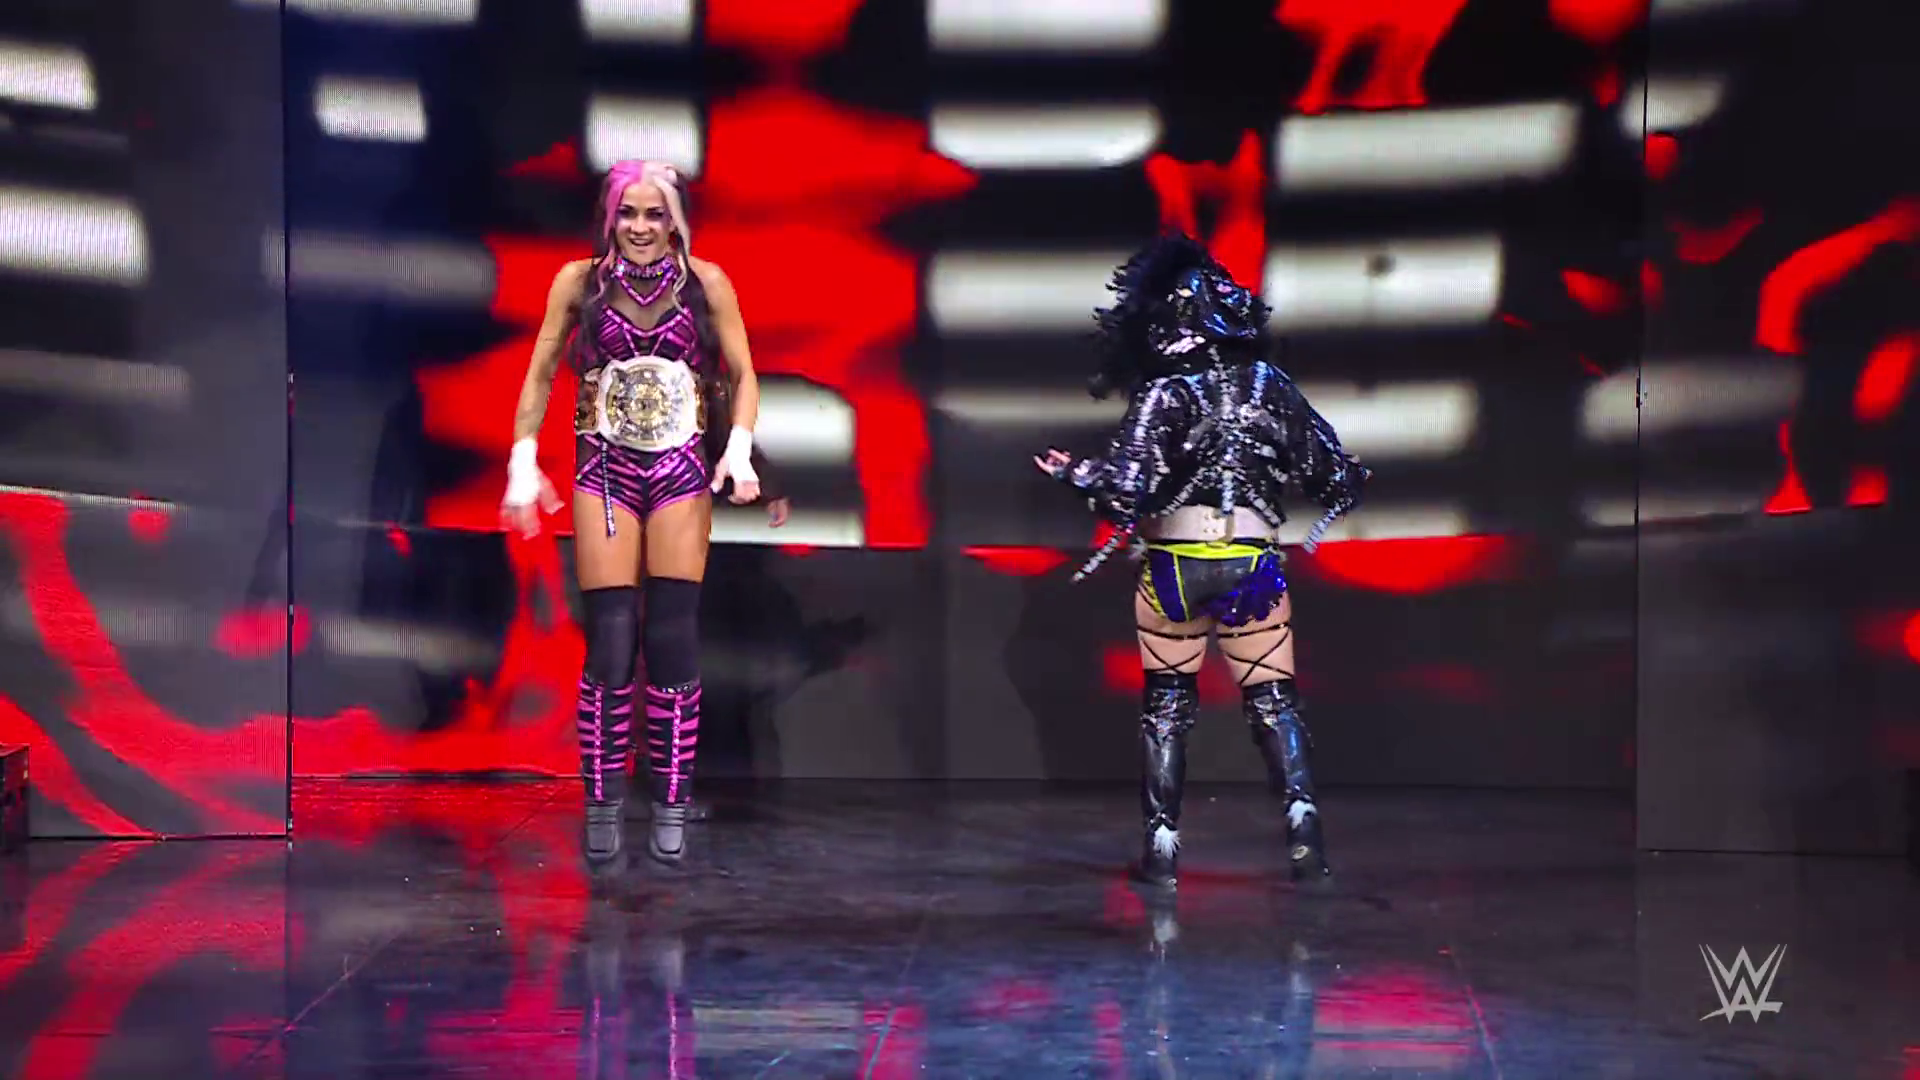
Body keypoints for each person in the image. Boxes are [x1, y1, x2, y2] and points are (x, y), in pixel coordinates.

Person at [1035, 230, 1369, 889]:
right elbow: (1332, 475)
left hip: (1173, 565)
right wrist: (1349, 477)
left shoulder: (1164, 393)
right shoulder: (1271, 386)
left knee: (1166, 709)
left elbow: (1125, 491)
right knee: (1274, 703)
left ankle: (1161, 850)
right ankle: (1305, 835)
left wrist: (1075, 473)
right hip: (1253, 562)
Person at [499, 159, 762, 872]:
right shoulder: (578, 283)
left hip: (680, 474)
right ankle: (602, 803)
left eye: (655, 214)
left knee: (672, 637)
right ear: (608, 216)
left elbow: (743, 372)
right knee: (611, 643)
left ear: (676, 219)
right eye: (628, 213)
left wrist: (738, 449)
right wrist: (523, 460)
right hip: (605, 474)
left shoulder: (706, 283)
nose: (641, 227)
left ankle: (672, 804)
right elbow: (540, 372)